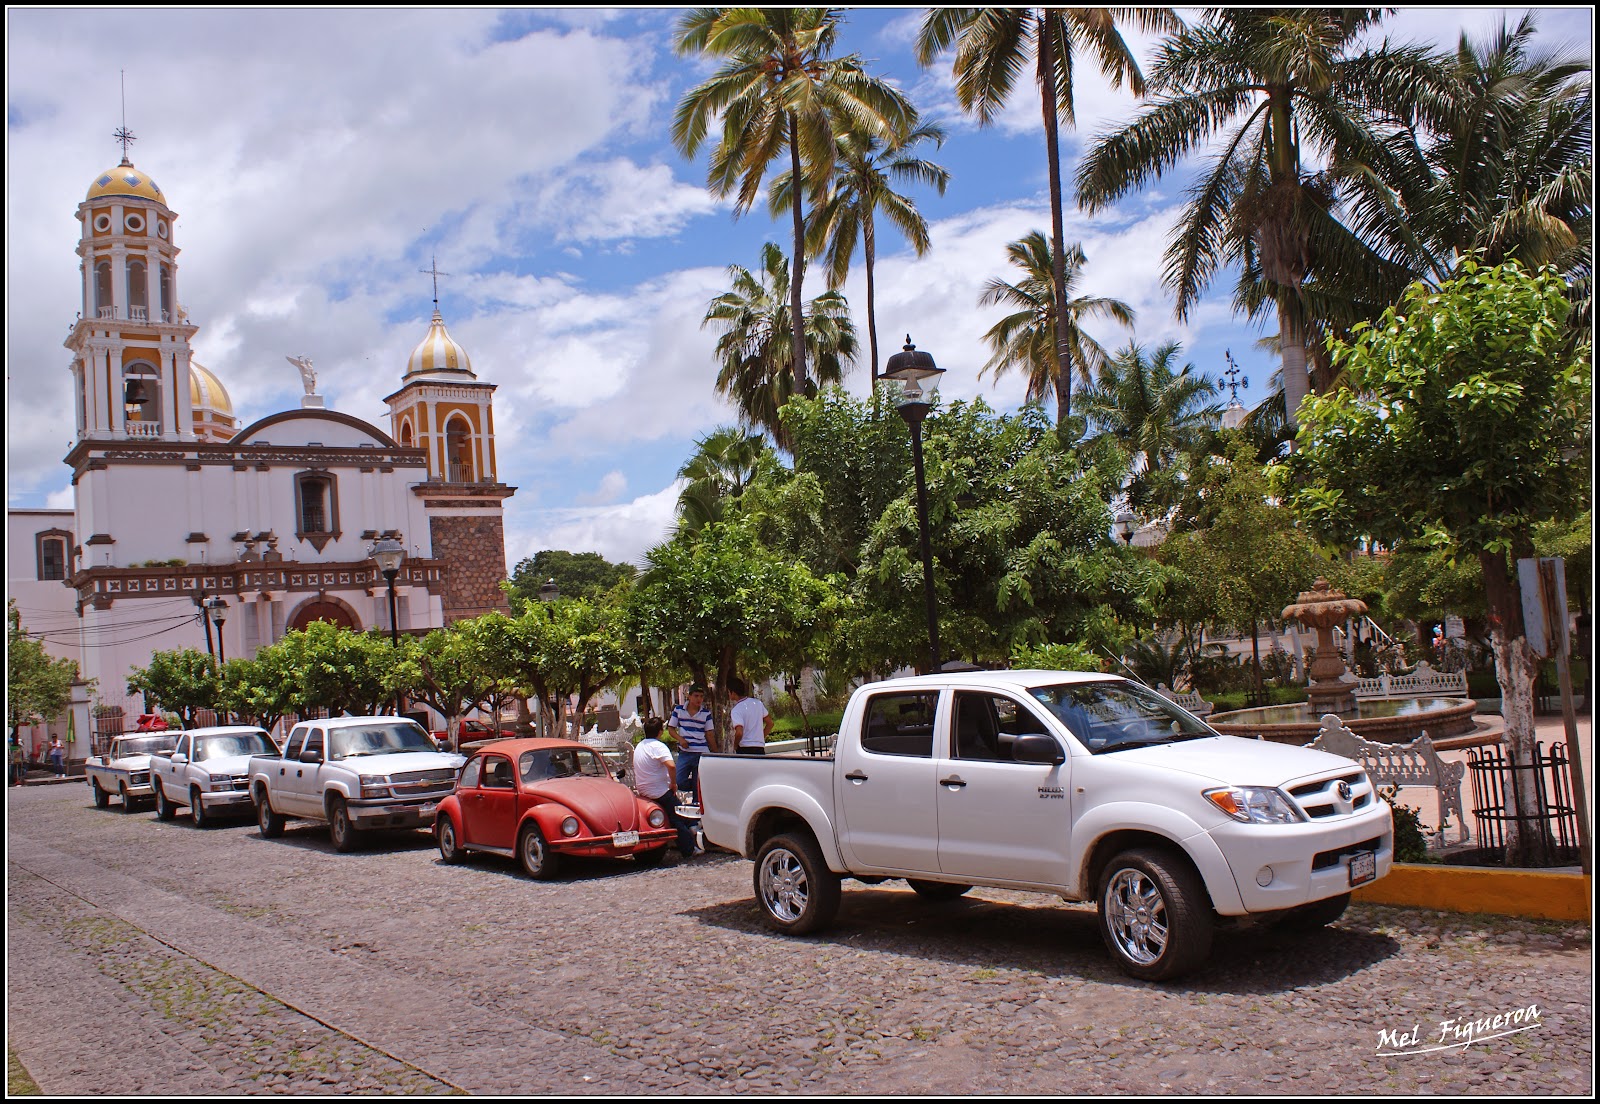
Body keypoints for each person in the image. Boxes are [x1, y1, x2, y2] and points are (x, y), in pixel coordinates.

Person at [632, 717, 697, 858]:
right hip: (658, 791)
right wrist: (673, 784)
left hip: (644, 790)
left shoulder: (640, 746)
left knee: (677, 811)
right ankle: (689, 848)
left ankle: (692, 830)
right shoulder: (658, 746)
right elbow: (671, 766)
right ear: (660, 732)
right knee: (678, 817)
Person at [667, 684, 717, 798]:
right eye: (696, 696)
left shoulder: (706, 713)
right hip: (685, 752)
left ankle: (697, 806)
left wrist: (715, 752)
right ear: (689, 696)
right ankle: (698, 787)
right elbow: (671, 729)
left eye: (701, 696)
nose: (699, 699)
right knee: (679, 780)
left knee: (697, 784)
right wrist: (681, 739)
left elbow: (709, 734)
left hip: (701, 752)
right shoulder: (679, 710)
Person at [727, 676, 773, 756]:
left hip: (745, 749)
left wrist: (735, 745)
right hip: (760, 748)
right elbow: (770, 723)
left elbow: (739, 733)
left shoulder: (736, 710)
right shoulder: (758, 703)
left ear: (733, 693)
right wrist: (760, 737)